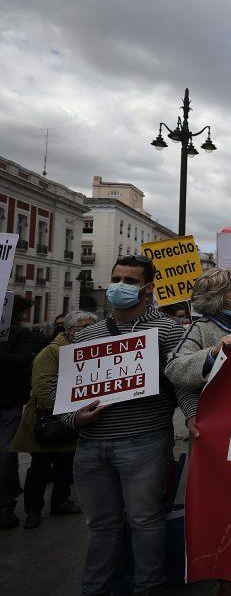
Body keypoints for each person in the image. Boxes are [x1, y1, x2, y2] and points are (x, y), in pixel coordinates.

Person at [58, 254, 201, 594]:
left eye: (131, 281)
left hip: (145, 442)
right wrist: (73, 418)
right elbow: (65, 391)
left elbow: (180, 380)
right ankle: (95, 588)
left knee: (144, 521)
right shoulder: (88, 333)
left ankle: (147, 587)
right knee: (100, 525)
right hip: (90, 445)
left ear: (148, 288)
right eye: (117, 278)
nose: (121, 286)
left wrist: (193, 415)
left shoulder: (166, 330)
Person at [10, 310, 97, 528]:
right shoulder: (51, 352)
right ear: (70, 330)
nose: (90, 332)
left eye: (91, 327)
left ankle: (60, 501)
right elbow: (42, 388)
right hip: (48, 419)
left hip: (72, 419)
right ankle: (33, 509)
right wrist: (67, 408)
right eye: (85, 327)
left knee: (65, 463)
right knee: (40, 467)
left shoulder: (88, 350)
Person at [0, 297, 41, 530]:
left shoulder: (19, 335)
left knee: (5, 455)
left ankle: (5, 505)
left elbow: (22, 361)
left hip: (8, 404)